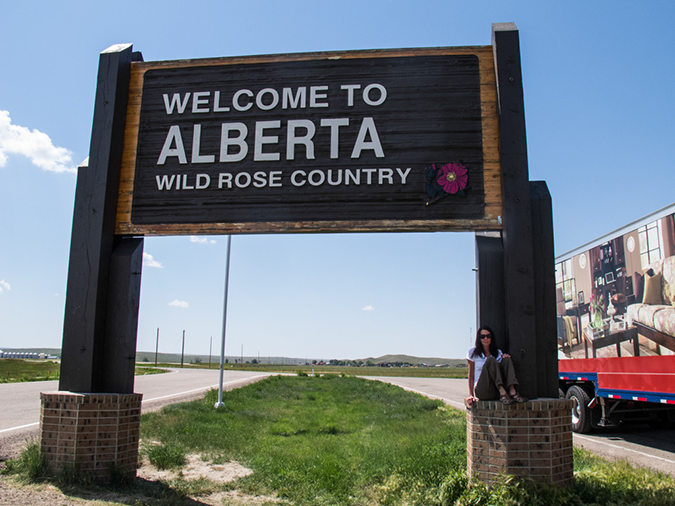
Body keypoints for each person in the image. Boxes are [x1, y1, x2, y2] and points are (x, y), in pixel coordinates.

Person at [466, 325, 526, 406]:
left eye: (488, 336)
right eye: (482, 336)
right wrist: (471, 395)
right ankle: (502, 392)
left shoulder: (498, 352)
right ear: (479, 339)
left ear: (492, 338)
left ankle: (512, 391)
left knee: (507, 359)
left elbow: (502, 370)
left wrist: (505, 358)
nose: (486, 339)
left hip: (495, 390)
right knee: (491, 360)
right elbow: (471, 375)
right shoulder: (472, 353)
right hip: (483, 389)